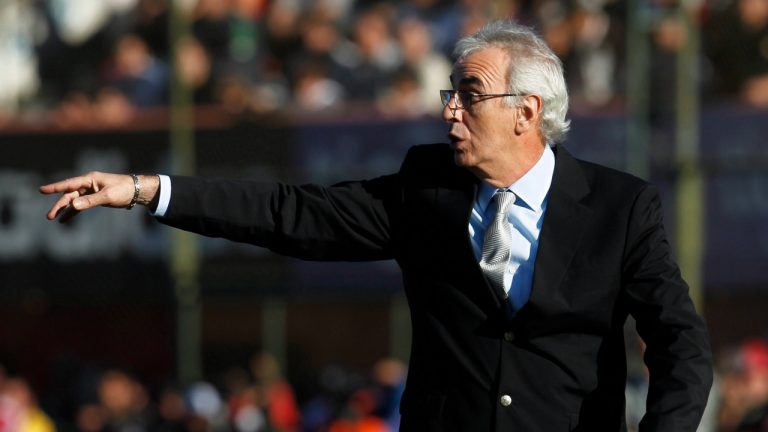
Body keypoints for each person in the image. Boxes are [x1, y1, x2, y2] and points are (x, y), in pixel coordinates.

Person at [40, 21, 713, 431]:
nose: (450, 111)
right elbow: (290, 213)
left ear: (527, 111)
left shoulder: (620, 207)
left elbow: (681, 344)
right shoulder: (427, 187)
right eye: (450, 92)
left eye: (470, 95)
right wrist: (146, 189)